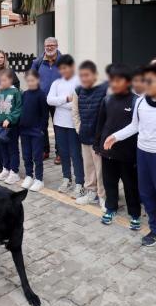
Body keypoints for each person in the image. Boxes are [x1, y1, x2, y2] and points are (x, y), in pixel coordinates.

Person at [103, 62, 156, 253]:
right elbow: (135, 126)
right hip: (142, 154)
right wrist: (115, 136)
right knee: (147, 194)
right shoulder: (140, 102)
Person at [95, 64, 141, 230]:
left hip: (128, 154)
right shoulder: (107, 100)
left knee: (131, 186)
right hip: (108, 152)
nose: (114, 84)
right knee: (110, 183)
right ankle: (111, 208)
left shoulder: (136, 101)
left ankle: (134, 213)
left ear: (128, 82)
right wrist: (98, 145)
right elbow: (101, 124)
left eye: (118, 80)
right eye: (112, 80)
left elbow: (138, 128)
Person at [47, 54, 84, 196]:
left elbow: (79, 103)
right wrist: (67, 99)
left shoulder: (79, 81)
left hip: (74, 123)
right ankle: (66, 178)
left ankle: (80, 182)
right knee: (63, 152)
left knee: (75, 153)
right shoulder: (56, 83)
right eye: (61, 68)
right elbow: (49, 100)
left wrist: (61, 103)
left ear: (72, 67)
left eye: (65, 68)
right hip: (59, 123)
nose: (63, 71)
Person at [72, 60, 108, 206]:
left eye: (87, 75)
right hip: (85, 135)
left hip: (100, 138)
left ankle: (103, 196)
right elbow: (75, 112)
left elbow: (110, 113)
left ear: (95, 74)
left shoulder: (105, 89)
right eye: (81, 76)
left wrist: (105, 135)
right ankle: (91, 192)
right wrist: (79, 128)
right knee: (89, 168)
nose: (84, 78)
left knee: (101, 170)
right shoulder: (78, 90)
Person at [0, 69, 23, 185]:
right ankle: (6, 168)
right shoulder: (0, 91)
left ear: (10, 80)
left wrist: (10, 119)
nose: (2, 83)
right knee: (3, 148)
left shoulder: (16, 92)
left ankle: (14, 172)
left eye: (4, 80)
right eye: (0, 80)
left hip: (10, 125)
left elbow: (19, 108)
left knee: (12, 148)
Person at [31, 37, 62, 162]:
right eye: (47, 45)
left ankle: (60, 153)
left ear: (57, 46)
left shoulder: (64, 61)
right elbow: (32, 79)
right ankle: (45, 151)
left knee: (58, 126)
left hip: (58, 100)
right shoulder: (37, 62)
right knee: (42, 126)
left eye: (52, 45)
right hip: (42, 99)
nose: (49, 47)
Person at [19, 69, 49, 191]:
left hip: (36, 132)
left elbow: (45, 115)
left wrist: (42, 129)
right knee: (26, 155)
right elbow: (21, 110)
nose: (30, 83)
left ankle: (39, 179)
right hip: (24, 131)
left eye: (32, 80)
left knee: (37, 156)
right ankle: (29, 176)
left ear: (38, 80)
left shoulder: (41, 95)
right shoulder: (25, 94)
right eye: (28, 81)